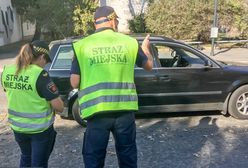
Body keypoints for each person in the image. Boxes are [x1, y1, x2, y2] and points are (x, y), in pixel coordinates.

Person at [70, 6, 153, 168]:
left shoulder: (81, 46)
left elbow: (74, 82)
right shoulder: (130, 42)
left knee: (93, 157)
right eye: (116, 21)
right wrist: (145, 49)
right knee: (127, 155)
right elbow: (148, 65)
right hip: (124, 110)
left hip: (96, 112)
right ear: (112, 20)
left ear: (95, 24)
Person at [1, 40, 64, 168]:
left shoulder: (7, 71)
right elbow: (59, 107)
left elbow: (9, 91)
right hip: (39, 130)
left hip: (18, 128)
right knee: (39, 164)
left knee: (26, 157)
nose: (45, 65)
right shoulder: (40, 75)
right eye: (45, 61)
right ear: (41, 57)